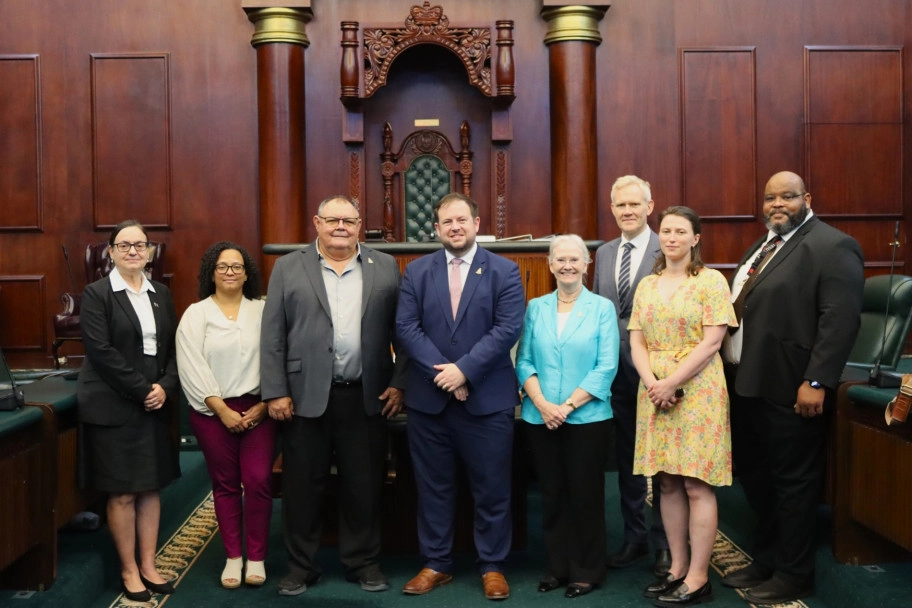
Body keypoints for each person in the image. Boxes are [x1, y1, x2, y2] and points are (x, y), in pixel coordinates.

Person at [721, 171, 864, 605]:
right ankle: (766, 559)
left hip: (791, 388)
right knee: (758, 479)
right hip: (747, 385)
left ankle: (795, 573)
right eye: (769, 198)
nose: (777, 204)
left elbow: (839, 322)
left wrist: (816, 380)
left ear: (807, 198)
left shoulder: (832, 246)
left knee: (793, 486)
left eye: (787, 196)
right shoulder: (764, 245)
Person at [261, 195, 405, 596]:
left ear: (360, 224)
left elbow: (403, 330)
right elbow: (272, 335)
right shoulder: (289, 267)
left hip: (366, 395)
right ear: (317, 223)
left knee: (364, 485)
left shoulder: (385, 266)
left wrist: (400, 382)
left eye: (349, 220)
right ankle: (301, 567)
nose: (340, 226)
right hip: (304, 397)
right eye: (332, 220)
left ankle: (363, 563)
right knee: (303, 487)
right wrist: (274, 391)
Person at [395, 192, 525, 601]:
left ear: (477, 222)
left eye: (462, 220)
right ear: (436, 228)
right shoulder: (416, 272)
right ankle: (436, 563)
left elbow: (507, 329)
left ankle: (492, 566)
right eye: (446, 222)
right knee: (432, 488)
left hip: (487, 402)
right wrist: (446, 376)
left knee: (491, 488)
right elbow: (406, 329)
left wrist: (464, 370)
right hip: (429, 404)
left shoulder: (504, 271)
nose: (455, 227)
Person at [629, 206, 736, 607]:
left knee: (694, 482)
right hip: (654, 389)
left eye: (680, 232)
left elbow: (712, 343)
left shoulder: (711, 282)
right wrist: (653, 382)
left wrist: (672, 382)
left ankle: (698, 577)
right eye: (666, 231)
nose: (671, 237)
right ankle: (676, 567)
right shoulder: (647, 285)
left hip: (698, 390)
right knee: (666, 481)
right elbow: (637, 340)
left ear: (695, 238)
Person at [76, 220, 181, 603]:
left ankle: (149, 565)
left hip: (154, 403)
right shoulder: (97, 293)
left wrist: (165, 388)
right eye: (124, 245)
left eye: (140, 245)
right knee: (122, 493)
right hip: (115, 404)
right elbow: (101, 352)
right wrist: (143, 391)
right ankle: (128, 569)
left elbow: (172, 350)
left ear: (150, 251)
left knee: (150, 487)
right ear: (111, 252)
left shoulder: (162, 295)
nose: (133, 251)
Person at [515, 234, 620, 599]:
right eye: (560, 259)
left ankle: (587, 570)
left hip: (587, 418)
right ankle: (557, 568)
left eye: (574, 259)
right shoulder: (536, 307)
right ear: (549, 264)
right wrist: (543, 404)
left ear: (587, 263)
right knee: (553, 494)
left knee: (586, 495)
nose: (567, 265)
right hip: (540, 417)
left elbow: (606, 366)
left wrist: (568, 406)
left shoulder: (602, 308)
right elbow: (524, 360)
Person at [176, 241, 276, 589]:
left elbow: (277, 358)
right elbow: (191, 365)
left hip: (258, 410)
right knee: (226, 484)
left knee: (260, 480)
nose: (230, 272)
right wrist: (221, 410)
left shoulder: (263, 311)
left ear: (247, 273)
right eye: (223, 266)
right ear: (212, 273)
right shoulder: (196, 313)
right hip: (211, 411)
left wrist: (264, 405)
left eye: (237, 266)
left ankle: (258, 557)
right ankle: (234, 557)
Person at [593, 175, 671, 577]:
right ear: (612, 209)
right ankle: (635, 538)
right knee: (627, 461)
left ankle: (664, 544)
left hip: (659, 376)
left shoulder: (668, 246)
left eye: (634, 205)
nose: (627, 211)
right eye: (620, 205)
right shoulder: (604, 253)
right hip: (616, 377)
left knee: (661, 465)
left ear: (649, 205)